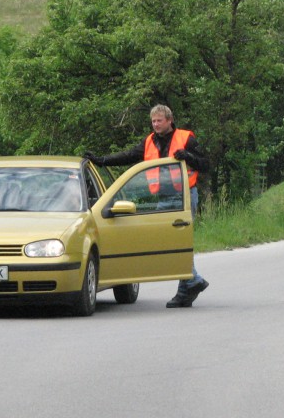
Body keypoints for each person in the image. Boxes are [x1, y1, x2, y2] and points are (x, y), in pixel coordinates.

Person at [85, 104, 209, 308]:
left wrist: (188, 157)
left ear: (169, 120)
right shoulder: (149, 141)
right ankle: (191, 283)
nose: (156, 124)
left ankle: (189, 285)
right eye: (153, 121)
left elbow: (205, 164)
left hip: (184, 198)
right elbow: (128, 156)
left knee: (176, 241)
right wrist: (102, 160)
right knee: (168, 242)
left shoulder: (186, 138)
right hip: (162, 197)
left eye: (159, 120)